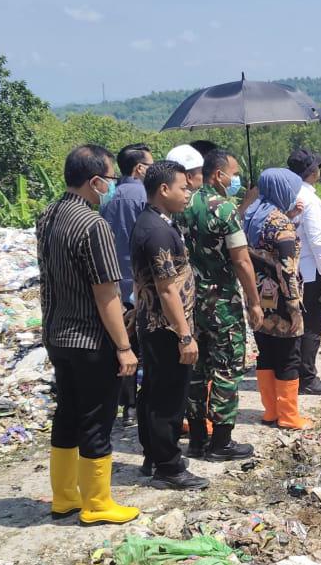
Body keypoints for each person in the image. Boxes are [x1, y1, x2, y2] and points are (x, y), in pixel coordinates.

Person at [36, 144, 139, 526]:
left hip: (58, 335)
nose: (111, 185)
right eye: (110, 179)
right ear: (95, 181)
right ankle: (97, 503)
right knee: (97, 417)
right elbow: (106, 292)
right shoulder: (94, 225)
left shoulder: (48, 215)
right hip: (90, 339)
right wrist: (124, 347)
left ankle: (64, 497)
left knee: (67, 414)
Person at [177, 148, 263, 460]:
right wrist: (254, 302)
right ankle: (222, 441)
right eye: (234, 173)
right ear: (219, 175)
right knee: (227, 367)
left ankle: (198, 438)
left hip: (188, 301)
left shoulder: (182, 205)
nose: (236, 178)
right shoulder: (224, 209)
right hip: (222, 302)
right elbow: (241, 261)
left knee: (196, 370)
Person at [131, 160, 209, 490]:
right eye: (183, 187)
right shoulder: (158, 230)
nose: (188, 193)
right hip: (166, 329)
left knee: (153, 392)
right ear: (164, 190)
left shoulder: (154, 222)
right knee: (168, 398)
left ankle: (154, 454)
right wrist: (185, 335)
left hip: (154, 325)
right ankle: (169, 465)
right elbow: (166, 288)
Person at [243, 168, 312, 429]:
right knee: (288, 355)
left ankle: (271, 411)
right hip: (281, 299)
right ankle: (289, 415)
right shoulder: (280, 224)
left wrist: (289, 217)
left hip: (257, 296)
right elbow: (287, 270)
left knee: (266, 352)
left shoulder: (251, 216)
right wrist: (294, 307)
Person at [100, 142, 153, 428]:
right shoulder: (144, 196)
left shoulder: (106, 198)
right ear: (140, 168)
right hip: (141, 284)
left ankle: (128, 408)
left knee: (124, 346)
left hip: (114, 286)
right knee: (147, 348)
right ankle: (147, 406)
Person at [287, 147, 321, 396]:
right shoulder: (310, 200)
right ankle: (307, 376)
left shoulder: (288, 194)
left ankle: (294, 372)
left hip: (293, 271)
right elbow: (318, 239)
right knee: (311, 325)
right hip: (311, 272)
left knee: (296, 323)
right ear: (312, 172)